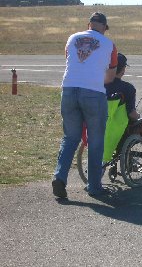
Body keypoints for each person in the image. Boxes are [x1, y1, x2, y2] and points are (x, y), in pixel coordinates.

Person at [52, 12, 118, 198]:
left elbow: (70, 60)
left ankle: (60, 176)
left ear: (88, 24)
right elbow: (110, 77)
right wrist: (96, 79)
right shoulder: (109, 45)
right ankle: (94, 186)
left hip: (69, 90)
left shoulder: (72, 38)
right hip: (93, 93)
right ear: (104, 27)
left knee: (70, 137)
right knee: (96, 141)